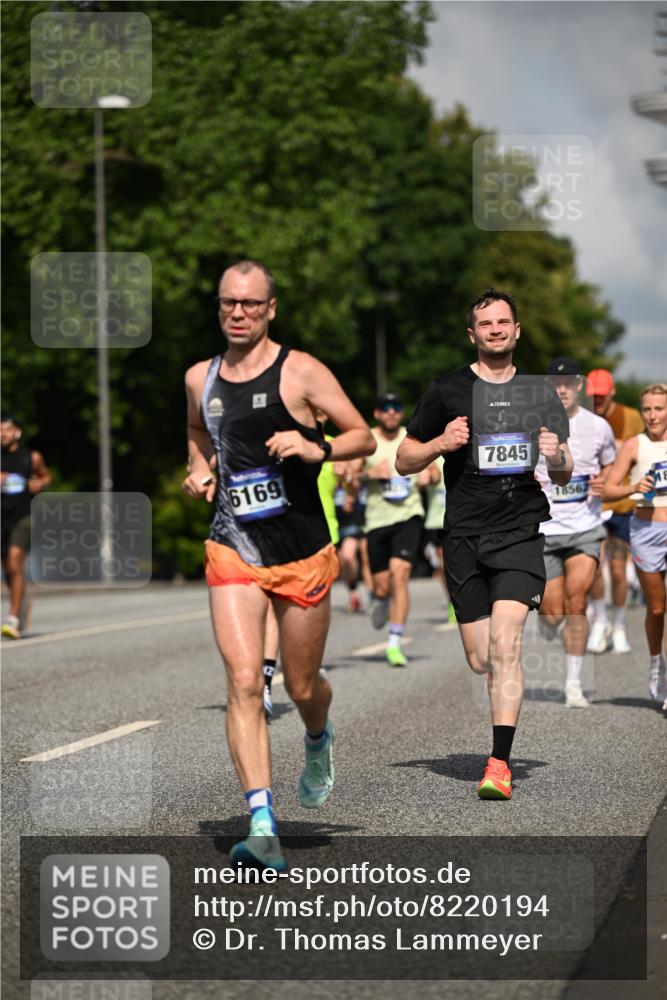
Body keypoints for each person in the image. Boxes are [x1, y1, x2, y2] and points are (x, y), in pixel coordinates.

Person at [182, 260, 374, 870]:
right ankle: (261, 824)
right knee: (244, 683)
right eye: (228, 304)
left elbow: (362, 437)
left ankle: (318, 735)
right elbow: (197, 429)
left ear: (271, 309)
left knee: (299, 686)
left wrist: (313, 446)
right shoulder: (199, 378)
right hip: (232, 545)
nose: (238, 313)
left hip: (301, 552)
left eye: (250, 304)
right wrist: (197, 465)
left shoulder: (301, 371)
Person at [396, 288, 572, 800]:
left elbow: (563, 474)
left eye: (504, 323)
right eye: (486, 324)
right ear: (472, 334)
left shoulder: (540, 393)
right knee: (481, 659)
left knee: (506, 642)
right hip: (464, 536)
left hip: (519, 531)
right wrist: (438, 445)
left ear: (517, 331)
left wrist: (555, 452)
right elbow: (404, 460)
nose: (495, 330)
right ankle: (500, 728)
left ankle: (499, 763)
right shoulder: (447, 390)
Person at [535, 359, 616, 708]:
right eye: (556, 383)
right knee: (552, 612)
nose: (563, 389)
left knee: (577, 601)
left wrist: (606, 482)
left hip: (585, 526)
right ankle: (548, 621)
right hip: (545, 528)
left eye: (569, 382)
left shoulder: (598, 427)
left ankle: (573, 684)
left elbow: (612, 462)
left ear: (579, 385)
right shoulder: (532, 425)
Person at [351, 392, 439, 668]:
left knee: (400, 575)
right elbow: (350, 484)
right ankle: (378, 597)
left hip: (408, 515)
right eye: (385, 408)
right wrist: (368, 475)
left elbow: (435, 473)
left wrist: (428, 476)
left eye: (396, 407)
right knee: (383, 584)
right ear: (377, 413)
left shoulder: (411, 437)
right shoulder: (367, 440)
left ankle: (394, 641)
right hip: (377, 520)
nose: (391, 412)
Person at [601, 383, 667, 706]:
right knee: (656, 608)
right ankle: (657, 663)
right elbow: (608, 491)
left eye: (659, 409)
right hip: (645, 530)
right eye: (648, 409)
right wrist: (633, 487)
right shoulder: (633, 446)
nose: (653, 415)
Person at [585, 369, 644, 654]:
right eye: (592, 394)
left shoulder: (632, 417)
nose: (597, 400)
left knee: (619, 571)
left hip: (621, 504)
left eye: (601, 394)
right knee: (594, 567)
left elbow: (641, 453)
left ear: (612, 392)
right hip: (591, 504)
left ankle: (619, 625)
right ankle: (600, 620)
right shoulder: (580, 417)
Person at [1, 415, 51, 639]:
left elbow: (46, 476)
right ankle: (22, 604)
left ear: (17, 432)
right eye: (0, 430)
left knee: (14, 561)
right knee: (8, 569)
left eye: (7, 430)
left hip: (23, 515)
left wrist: (40, 484)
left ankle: (13, 619)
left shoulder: (30, 457)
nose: (3, 434)